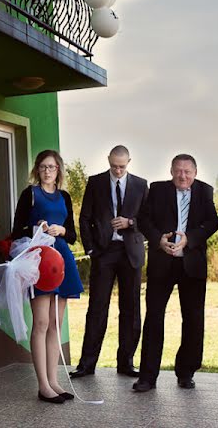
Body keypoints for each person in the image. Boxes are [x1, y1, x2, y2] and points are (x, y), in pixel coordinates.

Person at [133, 154, 218, 392]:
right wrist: (157, 239)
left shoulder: (205, 191)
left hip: (192, 265)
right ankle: (147, 377)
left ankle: (186, 372)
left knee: (193, 320)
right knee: (153, 318)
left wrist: (190, 239)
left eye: (187, 172)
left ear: (195, 172)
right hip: (162, 263)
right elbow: (144, 219)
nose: (183, 176)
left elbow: (212, 222)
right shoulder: (158, 189)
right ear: (171, 171)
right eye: (178, 171)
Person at [11, 150, 84, 404]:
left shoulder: (64, 196)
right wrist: (36, 228)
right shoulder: (29, 194)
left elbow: (73, 235)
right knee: (40, 323)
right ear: (37, 169)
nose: (47, 171)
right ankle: (43, 386)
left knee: (55, 324)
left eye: (51, 167)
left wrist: (62, 229)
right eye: (43, 167)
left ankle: (54, 381)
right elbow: (15, 229)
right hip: (38, 260)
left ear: (58, 170)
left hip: (62, 259)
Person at [71, 145, 148, 379]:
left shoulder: (141, 185)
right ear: (108, 160)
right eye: (114, 165)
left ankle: (126, 363)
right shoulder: (95, 182)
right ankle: (87, 364)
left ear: (129, 162)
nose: (117, 170)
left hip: (130, 253)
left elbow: (149, 219)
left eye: (122, 166)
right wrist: (92, 249)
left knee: (131, 309)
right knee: (97, 308)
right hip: (103, 253)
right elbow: (85, 218)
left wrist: (131, 223)